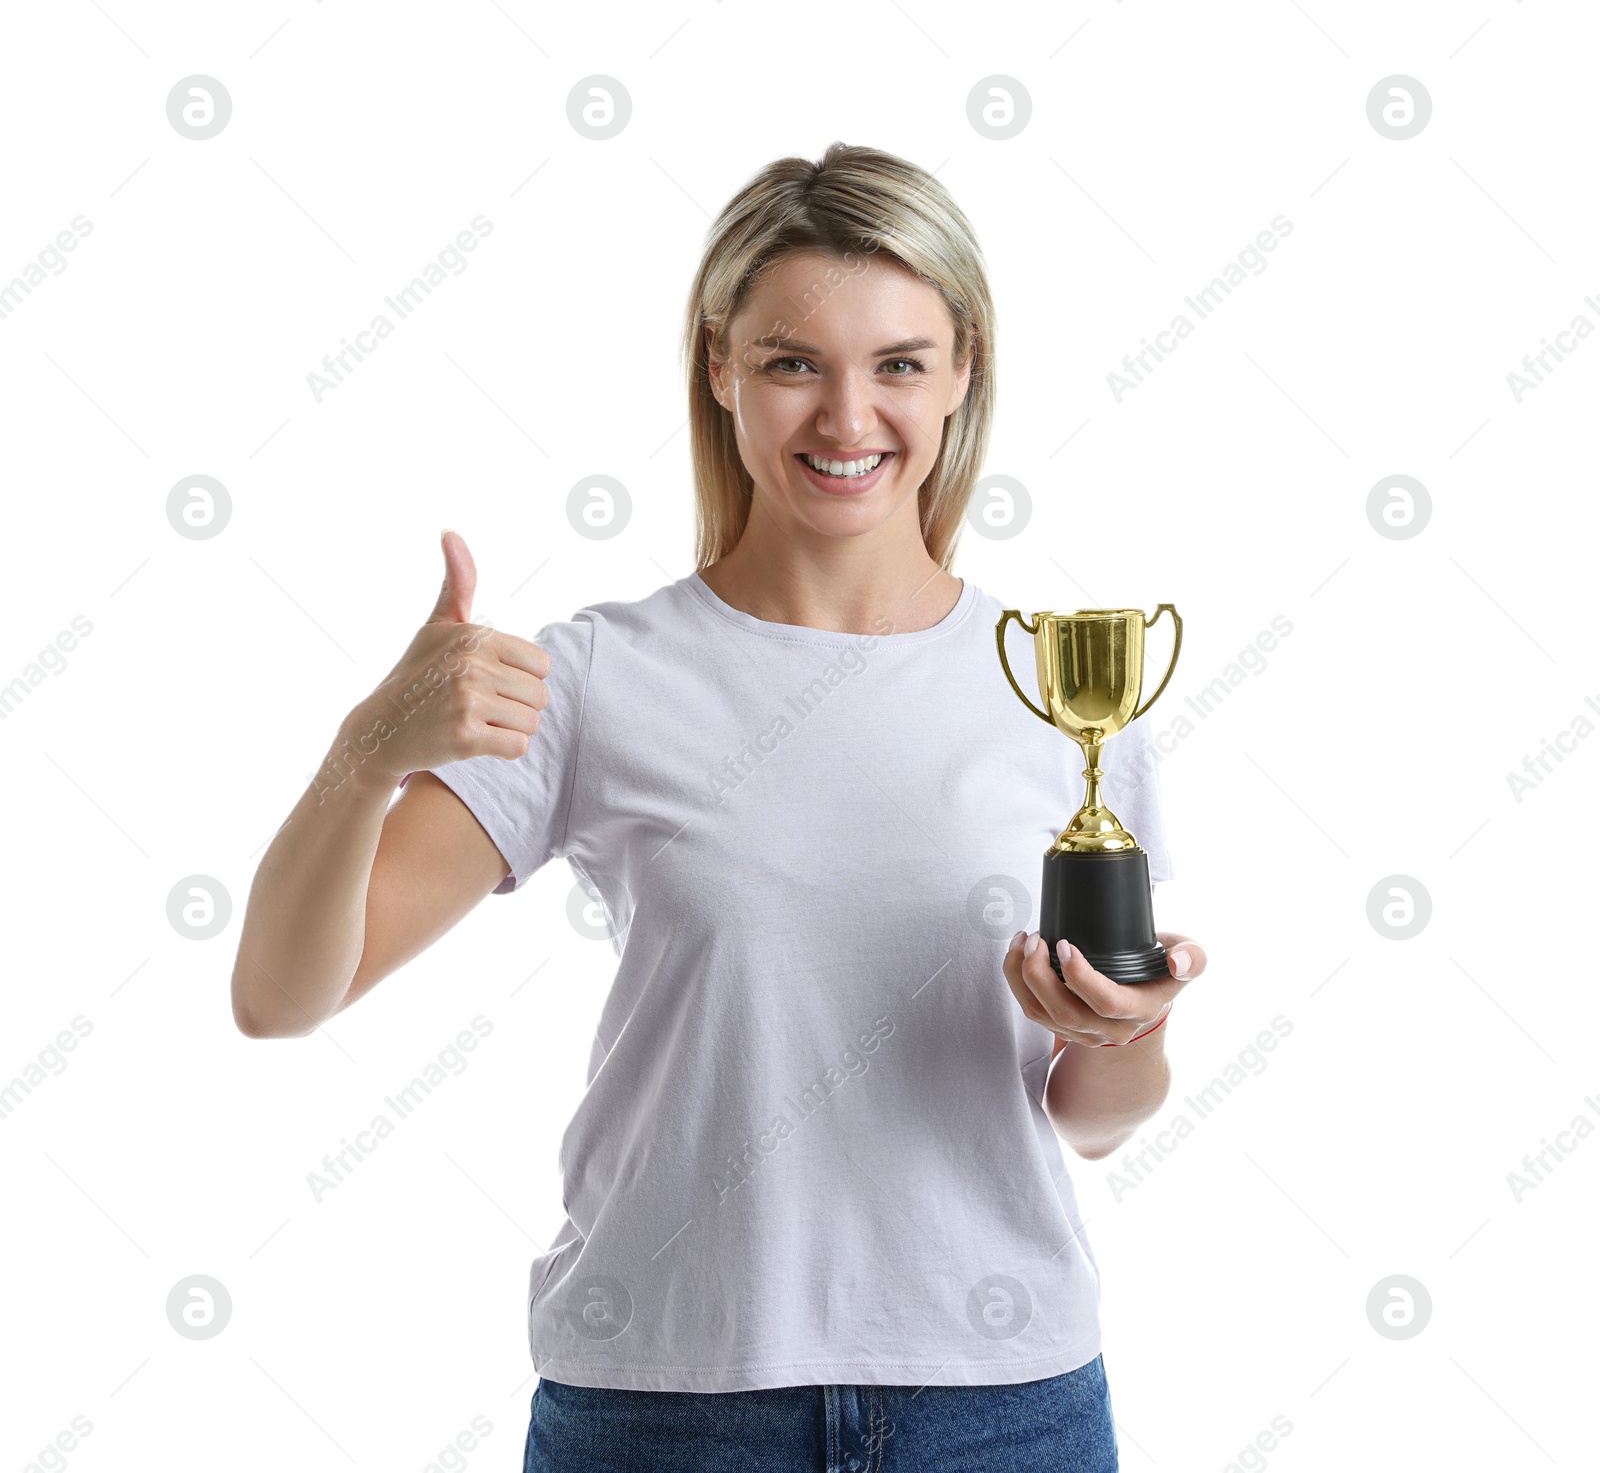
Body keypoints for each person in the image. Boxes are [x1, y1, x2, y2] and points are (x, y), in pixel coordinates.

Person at [231, 141, 1208, 1473]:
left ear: (964, 370)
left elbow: (1092, 1113)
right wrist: (364, 754)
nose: (847, 418)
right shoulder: (595, 679)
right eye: (794, 360)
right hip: (668, 1409)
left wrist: (1128, 1030)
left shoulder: (1060, 690)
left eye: (900, 364)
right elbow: (283, 994)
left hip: (1003, 1406)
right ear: (720, 366)